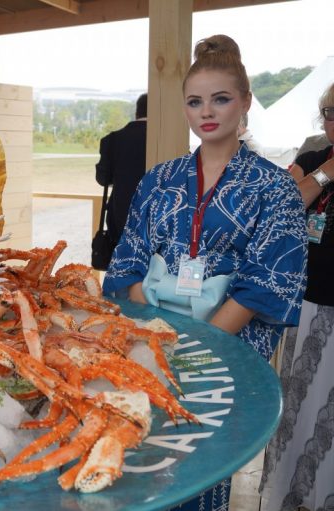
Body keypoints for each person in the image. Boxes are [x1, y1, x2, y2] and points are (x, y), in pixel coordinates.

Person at [103, 35, 308, 511]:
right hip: (150, 338)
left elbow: (268, 282)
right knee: (143, 450)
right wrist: (155, 334)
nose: (206, 112)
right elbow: (128, 258)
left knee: (200, 458)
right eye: (195, 102)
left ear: (246, 101)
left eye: (221, 99)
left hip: (228, 346)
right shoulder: (159, 178)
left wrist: (199, 346)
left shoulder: (274, 186)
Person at [260, 82, 334, 511]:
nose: (333, 120)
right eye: (329, 112)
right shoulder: (312, 156)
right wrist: (328, 171)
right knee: (301, 406)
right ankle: (297, 495)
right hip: (306, 306)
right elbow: (284, 207)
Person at [95, 92, 148, 248]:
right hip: (156, 218)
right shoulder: (165, 140)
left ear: (137, 112)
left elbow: (102, 179)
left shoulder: (112, 140)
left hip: (119, 217)